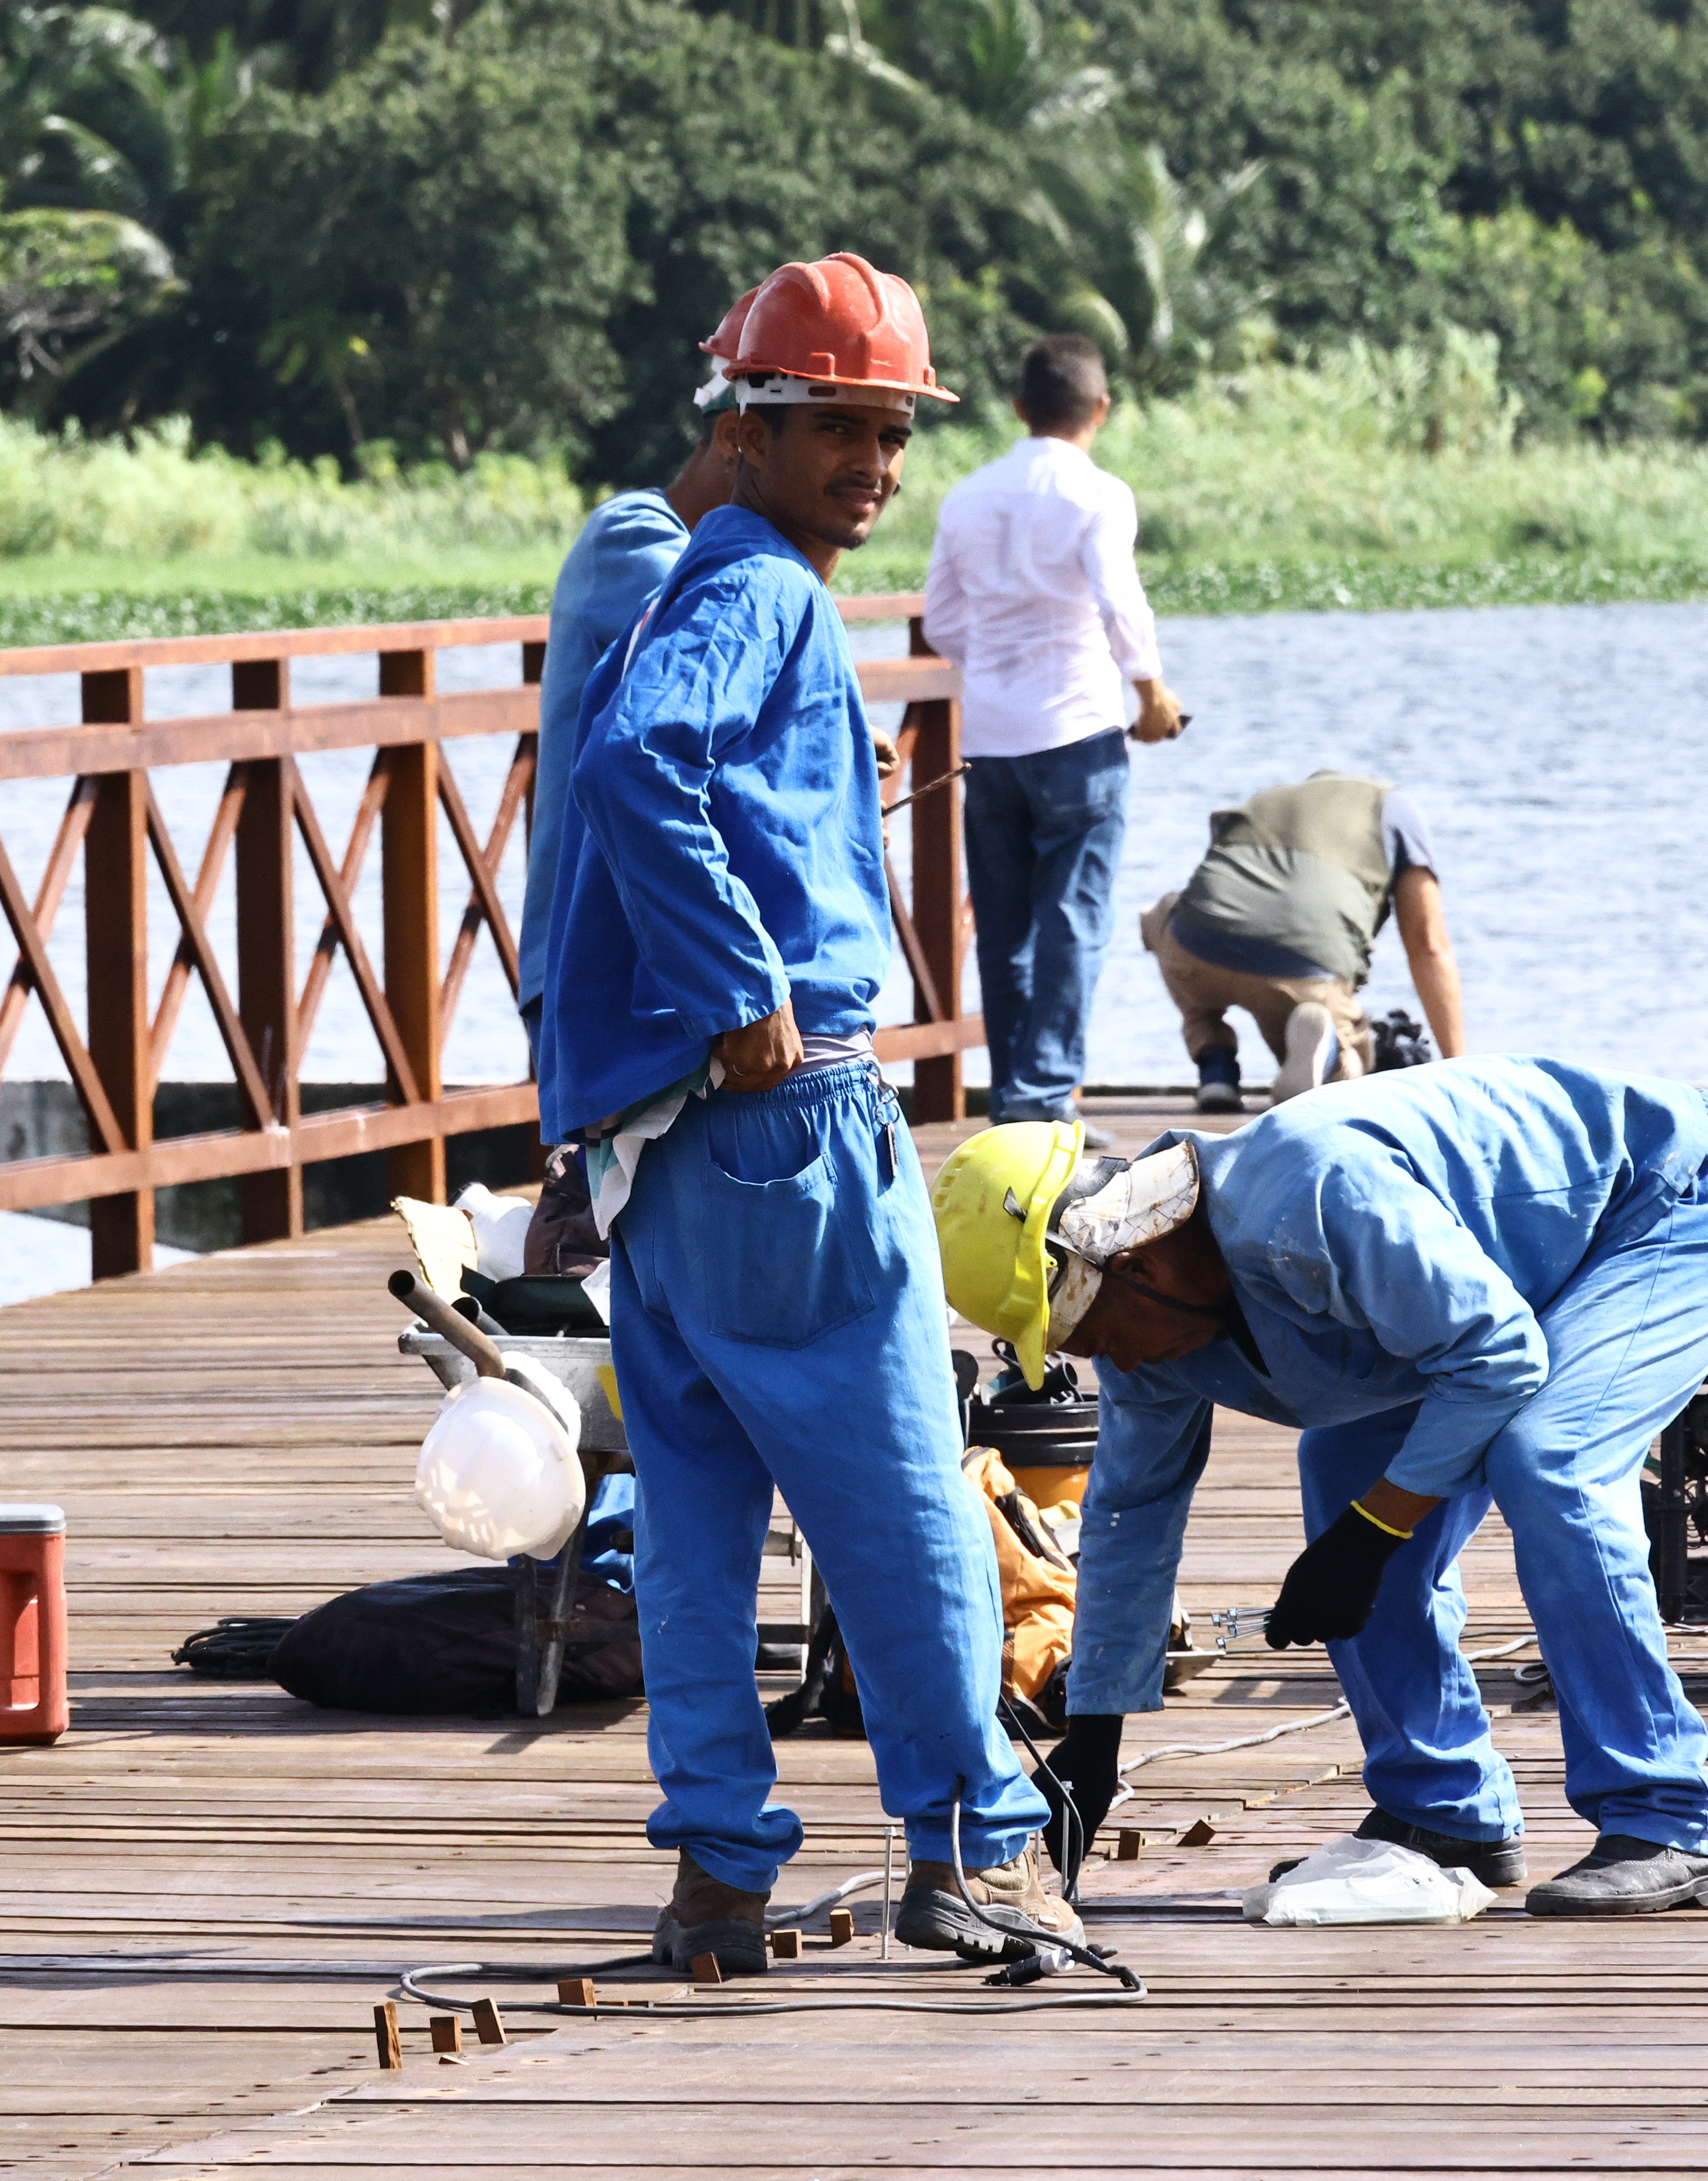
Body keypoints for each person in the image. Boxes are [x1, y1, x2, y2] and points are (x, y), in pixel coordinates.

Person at [536, 253, 1073, 1976]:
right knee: (906, 1490)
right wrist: (743, 988)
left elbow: (631, 779)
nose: (870, 464)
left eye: (890, 432)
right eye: (831, 425)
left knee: (693, 1521)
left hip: (664, 1152)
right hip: (788, 1127)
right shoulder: (757, 583)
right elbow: (636, 772)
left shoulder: (701, 571)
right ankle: (981, 1844)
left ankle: (714, 1871)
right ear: (745, 424)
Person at [928, 1058, 1708, 1917]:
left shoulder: (1312, 1197)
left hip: (1673, 1194)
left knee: (1550, 1461)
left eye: (1092, 1334)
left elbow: (1497, 1360)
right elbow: (1131, 1516)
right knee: (1344, 1471)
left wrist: (1369, 1537)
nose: (1108, 1361)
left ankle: (1671, 1817)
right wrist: (1095, 1741)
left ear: (1134, 1264)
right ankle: (1443, 1807)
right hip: (1497, 1282)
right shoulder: (1144, 1331)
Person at [919, 334, 1182, 1132]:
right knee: (1075, 918)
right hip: (1078, 732)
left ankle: (1016, 1098)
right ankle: (1044, 1093)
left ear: (1019, 409)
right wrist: (1152, 692)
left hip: (992, 739)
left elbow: (941, 620)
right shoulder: (1100, 495)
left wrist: (997, 670)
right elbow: (1118, 602)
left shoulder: (966, 496)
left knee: (1004, 930)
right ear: (1100, 409)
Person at [516, 420, 732, 1039]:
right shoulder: (633, 534)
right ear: (733, 440)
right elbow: (722, 627)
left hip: (656, 967)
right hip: (597, 964)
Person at [1146, 769, 1467, 1112]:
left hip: (1196, 951)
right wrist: (1460, 1073)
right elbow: (1428, 944)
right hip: (1302, 972)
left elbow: (1214, 883)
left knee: (1161, 913)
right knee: (1343, 1054)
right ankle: (1332, 1059)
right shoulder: (1396, 808)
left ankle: (1216, 1068)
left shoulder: (1267, 800)